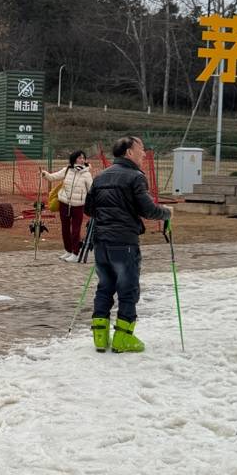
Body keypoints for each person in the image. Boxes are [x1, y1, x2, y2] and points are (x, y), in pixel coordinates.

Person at [83, 135, 171, 353]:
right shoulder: (135, 177)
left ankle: (100, 337)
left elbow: (89, 209)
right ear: (129, 152)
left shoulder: (100, 177)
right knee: (128, 288)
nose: (144, 154)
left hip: (101, 242)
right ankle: (123, 337)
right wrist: (167, 212)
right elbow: (148, 210)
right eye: (141, 149)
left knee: (105, 287)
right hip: (124, 243)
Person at [41, 150, 92, 260]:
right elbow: (53, 177)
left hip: (78, 205)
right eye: (79, 158)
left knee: (76, 230)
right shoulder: (67, 170)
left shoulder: (87, 174)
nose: (82, 160)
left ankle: (75, 253)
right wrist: (45, 174)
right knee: (65, 229)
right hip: (64, 203)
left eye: (83, 158)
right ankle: (68, 250)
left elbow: (91, 190)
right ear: (74, 159)